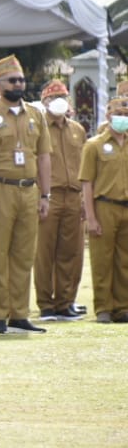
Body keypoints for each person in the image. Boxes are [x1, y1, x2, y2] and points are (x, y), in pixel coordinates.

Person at [0, 55, 52, 333]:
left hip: (28, 190)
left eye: (21, 80)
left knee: (23, 256)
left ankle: (19, 314)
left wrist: (45, 195)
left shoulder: (35, 115)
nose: (18, 84)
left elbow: (43, 157)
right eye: (12, 80)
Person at [34, 79, 86, 319]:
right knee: (44, 252)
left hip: (74, 195)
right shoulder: (37, 127)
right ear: (44, 102)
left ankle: (65, 303)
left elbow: (84, 168)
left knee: (69, 252)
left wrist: (85, 198)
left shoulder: (77, 130)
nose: (59, 102)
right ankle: (45, 304)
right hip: (49, 194)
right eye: (53, 98)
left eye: (63, 97)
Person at [81, 95, 128, 323]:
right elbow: (87, 183)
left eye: (126, 115)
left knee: (124, 261)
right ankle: (103, 308)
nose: (123, 119)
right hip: (104, 206)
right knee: (102, 260)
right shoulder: (94, 145)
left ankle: (123, 306)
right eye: (119, 115)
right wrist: (90, 217)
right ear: (109, 116)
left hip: (126, 208)